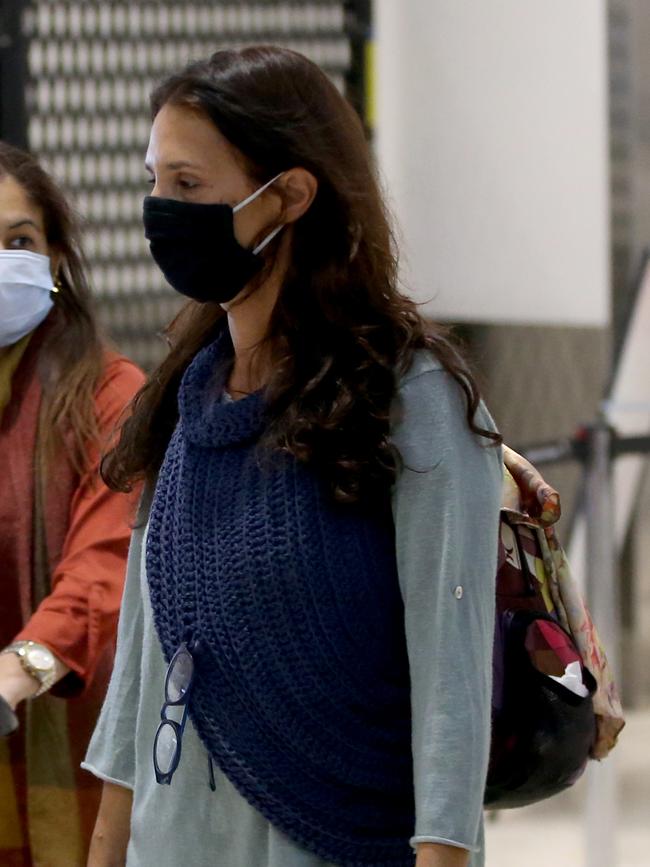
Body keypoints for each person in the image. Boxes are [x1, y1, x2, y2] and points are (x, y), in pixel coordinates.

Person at [84, 46, 503, 867]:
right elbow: (140, 671)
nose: (159, 210)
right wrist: (105, 849)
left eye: (189, 185)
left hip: (339, 840)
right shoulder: (187, 398)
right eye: (153, 180)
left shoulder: (410, 398)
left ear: (291, 195)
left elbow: (453, 681)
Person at [0, 142, 145, 866]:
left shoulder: (108, 396)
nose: (3, 262)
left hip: (70, 737)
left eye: (17, 241)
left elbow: (103, 572)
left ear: (55, 256)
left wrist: (18, 670)